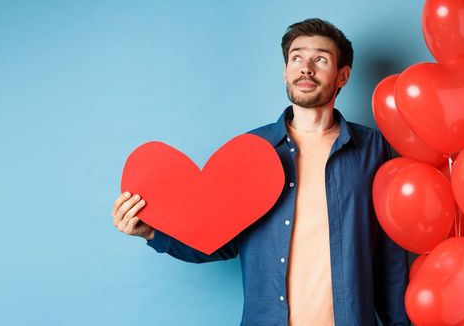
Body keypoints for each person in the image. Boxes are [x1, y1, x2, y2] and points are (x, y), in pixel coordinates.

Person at [111, 18, 411, 326]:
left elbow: (389, 255)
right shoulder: (252, 149)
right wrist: (151, 232)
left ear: (342, 76)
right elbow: (217, 239)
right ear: (285, 71)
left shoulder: (372, 149)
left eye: (320, 59)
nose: (305, 68)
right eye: (296, 58)